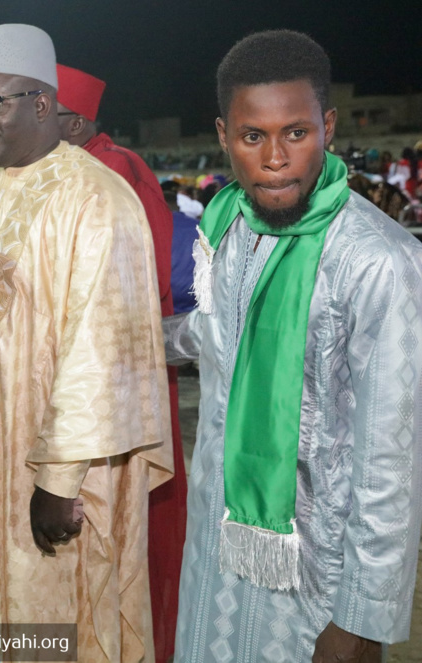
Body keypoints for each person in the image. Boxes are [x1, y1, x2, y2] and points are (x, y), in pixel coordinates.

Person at [166, 30, 422, 662]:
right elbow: (217, 336)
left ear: (328, 127)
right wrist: (129, 339)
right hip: (221, 550)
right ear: (225, 137)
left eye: (296, 133)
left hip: (320, 579)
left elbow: (391, 461)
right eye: (254, 137)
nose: (275, 158)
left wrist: (359, 620)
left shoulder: (377, 261)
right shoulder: (230, 228)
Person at [0, 24, 173, 662]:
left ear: (43, 104)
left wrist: (61, 479)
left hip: (55, 470)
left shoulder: (99, 198)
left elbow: (103, 347)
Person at [55, 63, 186, 663]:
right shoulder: (103, 164)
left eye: (44, 116)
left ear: (76, 122)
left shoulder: (107, 173)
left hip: (116, 374)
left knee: (126, 526)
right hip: (124, 370)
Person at [162, 182, 198, 315]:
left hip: (166, 304)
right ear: (177, 205)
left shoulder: (151, 229)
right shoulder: (199, 226)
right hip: (197, 303)